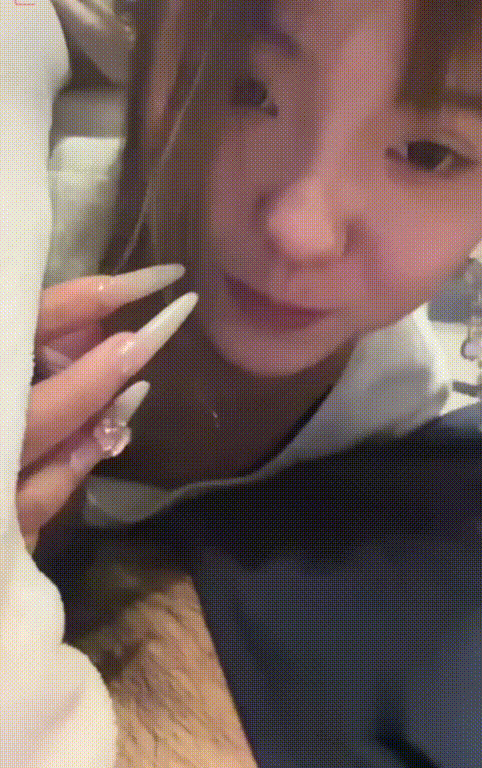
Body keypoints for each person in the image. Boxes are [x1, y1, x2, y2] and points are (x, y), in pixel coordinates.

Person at [11, 0, 482, 765]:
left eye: (429, 153)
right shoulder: (27, 206)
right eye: (244, 89)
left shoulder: (395, 450)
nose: (300, 229)